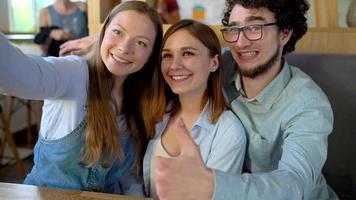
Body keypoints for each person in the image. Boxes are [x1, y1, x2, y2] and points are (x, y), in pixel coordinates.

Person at [153, 0, 339, 199]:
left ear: (285, 33)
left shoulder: (308, 104)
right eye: (234, 29)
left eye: (254, 28)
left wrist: (213, 185)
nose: (240, 43)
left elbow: (294, 184)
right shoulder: (220, 68)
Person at [0, 1, 162, 195]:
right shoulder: (74, 73)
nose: (125, 48)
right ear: (103, 33)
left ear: (151, 54)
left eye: (141, 42)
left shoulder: (139, 98)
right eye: (118, 32)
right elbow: (18, 73)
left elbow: (126, 177)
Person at [143, 19, 246, 199]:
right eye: (167, 55)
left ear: (214, 63)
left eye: (188, 53)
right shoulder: (156, 113)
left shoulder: (229, 132)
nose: (175, 65)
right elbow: (134, 180)